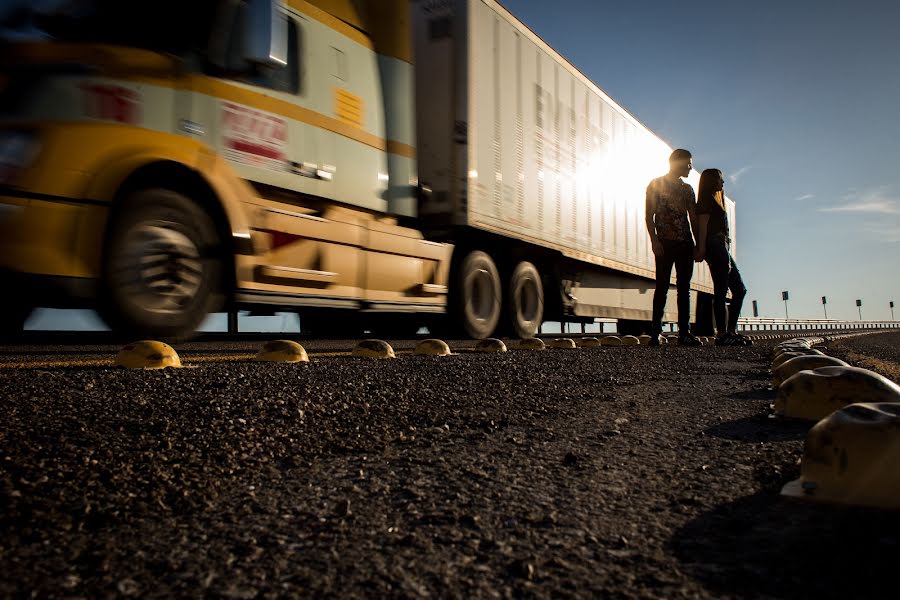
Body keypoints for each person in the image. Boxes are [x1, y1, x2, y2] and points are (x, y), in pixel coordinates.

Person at [645, 149, 702, 346]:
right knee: (662, 287)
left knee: (683, 289)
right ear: (677, 162)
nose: (691, 167)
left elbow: (693, 219)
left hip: (685, 244)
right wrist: (654, 241)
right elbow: (649, 216)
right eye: (688, 164)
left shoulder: (687, 189)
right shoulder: (655, 184)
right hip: (665, 244)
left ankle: (684, 333)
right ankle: (655, 333)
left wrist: (697, 244)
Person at [694, 168, 750, 346]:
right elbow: (702, 226)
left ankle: (730, 331)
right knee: (721, 289)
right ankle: (722, 334)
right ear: (711, 181)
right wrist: (701, 248)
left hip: (722, 246)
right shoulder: (705, 200)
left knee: (739, 289)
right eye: (720, 179)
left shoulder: (717, 199)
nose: (723, 182)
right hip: (714, 246)